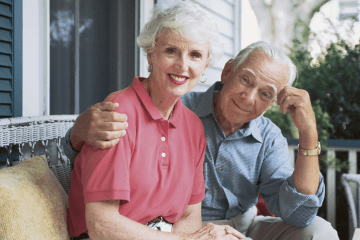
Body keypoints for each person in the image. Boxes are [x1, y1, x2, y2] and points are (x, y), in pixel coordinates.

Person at [64, 43, 339, 240]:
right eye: (246, 80)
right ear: (227, 71)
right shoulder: (177, 109)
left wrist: (308, 133)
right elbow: (93, 157)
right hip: (181, 228)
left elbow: (299, 214)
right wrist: (78, 131)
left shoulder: (268, 138)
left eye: (265, 94)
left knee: (320, 232)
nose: (249, 97)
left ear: (272, 103)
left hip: (246, 226)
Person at [66, 2, 245, 240]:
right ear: (151, 53)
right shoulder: (118, 113)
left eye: (195, 55)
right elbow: (102, 226)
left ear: (205, 65)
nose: (183, 65)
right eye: (171, 51)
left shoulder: (193, 126)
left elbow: (189, 216)